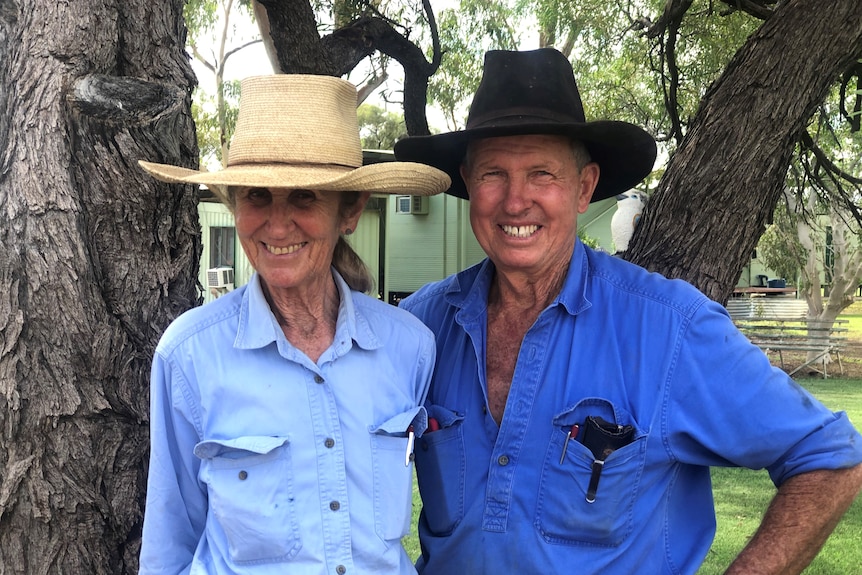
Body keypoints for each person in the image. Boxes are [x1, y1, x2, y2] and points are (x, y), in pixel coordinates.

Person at [393, 48, 862, 574]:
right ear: (467, 185)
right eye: (493, 174)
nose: (515, 201)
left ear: (584, 187)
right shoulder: (419, 329)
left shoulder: (669, 329)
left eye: (542, 173)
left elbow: (828, 455)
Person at [137, 74, 450, 574]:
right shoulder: (190, 356)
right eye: (257, 195)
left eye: (304, 196)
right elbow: (170, 542)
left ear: (350, 211)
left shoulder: (409, 346)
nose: (277, 225)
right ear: (235, 206)